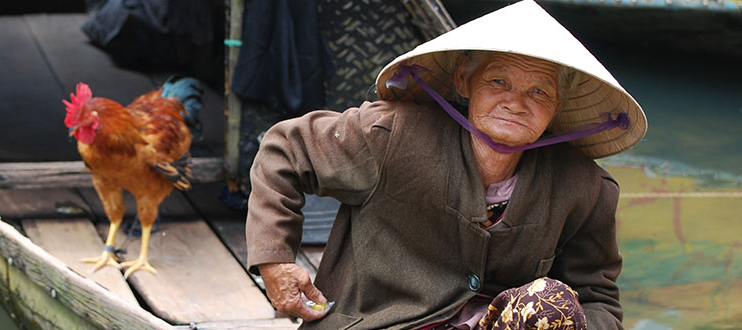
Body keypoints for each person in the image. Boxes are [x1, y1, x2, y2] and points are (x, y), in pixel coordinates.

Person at [245, 1, 646, 329]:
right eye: (498, 82)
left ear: (557, 106)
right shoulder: (391, 133)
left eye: (538, 91)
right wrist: (275, 261)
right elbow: (284, 150)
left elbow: (597, 298)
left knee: (551, 304)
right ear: (464, 80)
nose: (515, 102)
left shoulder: (584, 186)